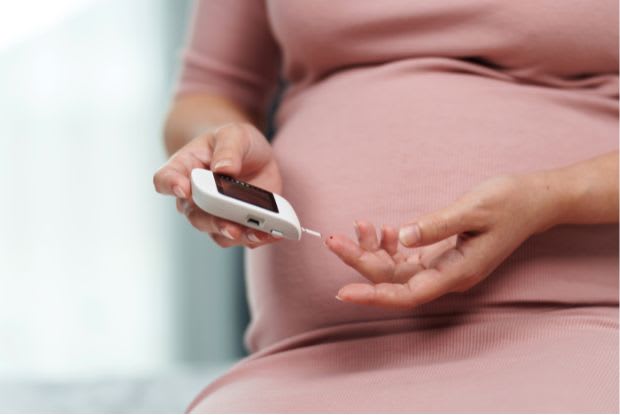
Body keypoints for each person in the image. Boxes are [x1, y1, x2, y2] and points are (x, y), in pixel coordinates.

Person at [153, 1, 619, 412]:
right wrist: (220, 149)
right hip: (310, 357)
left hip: (578, 323)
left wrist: (549, 198)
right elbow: (207, 93)